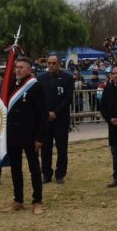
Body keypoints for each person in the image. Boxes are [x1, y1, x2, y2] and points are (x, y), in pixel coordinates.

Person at [6, 56, 48, 214]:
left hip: (30, 135)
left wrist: (40, 137)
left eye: (22, 67)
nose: (18, 70)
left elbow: (43, 114)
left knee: (34, 169)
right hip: (13, 134)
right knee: (15, 168)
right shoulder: (12, 86)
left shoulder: (35, 86)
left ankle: (37, 201)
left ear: (29, 69)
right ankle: (18, 200)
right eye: (17, 67)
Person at [38, 55, 74, 184]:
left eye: (54, 63)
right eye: (49, 63)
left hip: (61, 119)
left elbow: (68, 99)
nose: (51, 65)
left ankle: (60, 174)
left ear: (59, 64)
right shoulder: (41, 78)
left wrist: (55, 112)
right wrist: (46, 113)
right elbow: (39, 99)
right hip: (45, 120)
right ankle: (46, 174)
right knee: (45, 148)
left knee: (61, 148)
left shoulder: (67, 78)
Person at [99, 64, 117, 188]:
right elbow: (102, 107)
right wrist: (109, 119)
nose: (115, 76)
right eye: (113, 73)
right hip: (113, 127)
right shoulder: (108, 88)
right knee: (115, 152)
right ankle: (116, 177)